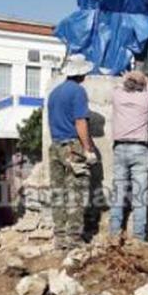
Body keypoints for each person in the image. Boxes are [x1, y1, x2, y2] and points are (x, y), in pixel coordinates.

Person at [47, 54, 98, 250]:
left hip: (55, 146)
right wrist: (88, 149)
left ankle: (59, 237)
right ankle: (74, 239)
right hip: (72, 147)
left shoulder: (55, 92)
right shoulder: (78, 92)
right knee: (76, 193)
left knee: (58, 193)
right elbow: (80, 121)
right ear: (81, 72)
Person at [110, 71, 148, 241]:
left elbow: (118, 84)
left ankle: (114, 234)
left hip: (120, 147)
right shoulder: (146, 98)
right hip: (140, 149)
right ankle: (139, 237)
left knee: (117, 194)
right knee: (140, 196)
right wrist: (142, 78)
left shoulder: (117, 96)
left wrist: (127, 76)